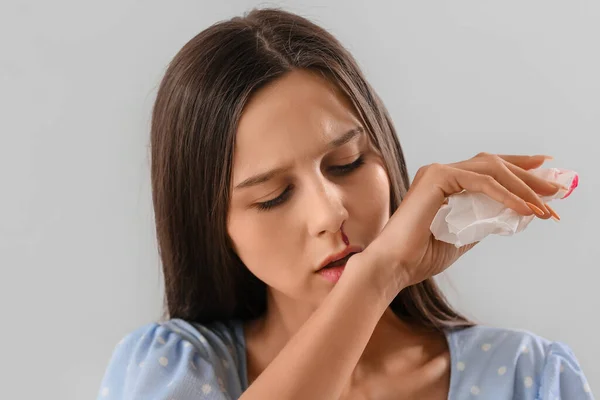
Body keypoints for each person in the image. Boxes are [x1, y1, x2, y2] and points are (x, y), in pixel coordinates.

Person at [97, 7, 593, 400]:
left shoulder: (530, 378)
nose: (330, 214)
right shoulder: (172, 371)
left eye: (347, 164)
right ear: (210, 224)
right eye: (273, 197)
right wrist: (376, 277)